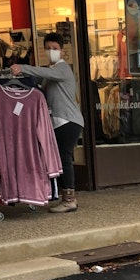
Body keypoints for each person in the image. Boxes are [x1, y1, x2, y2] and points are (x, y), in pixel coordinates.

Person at [11, 32, 85, 213]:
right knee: (61, 158)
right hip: (60, 121)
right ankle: (65, 197)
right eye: (48, 48)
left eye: (55, 48)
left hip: (68, 120)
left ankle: (69, 200)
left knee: (64, 158)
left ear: (62, 51)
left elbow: (44, 72)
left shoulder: (62, 68)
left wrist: (22, 67)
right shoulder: (52, 73)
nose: (51, 51)